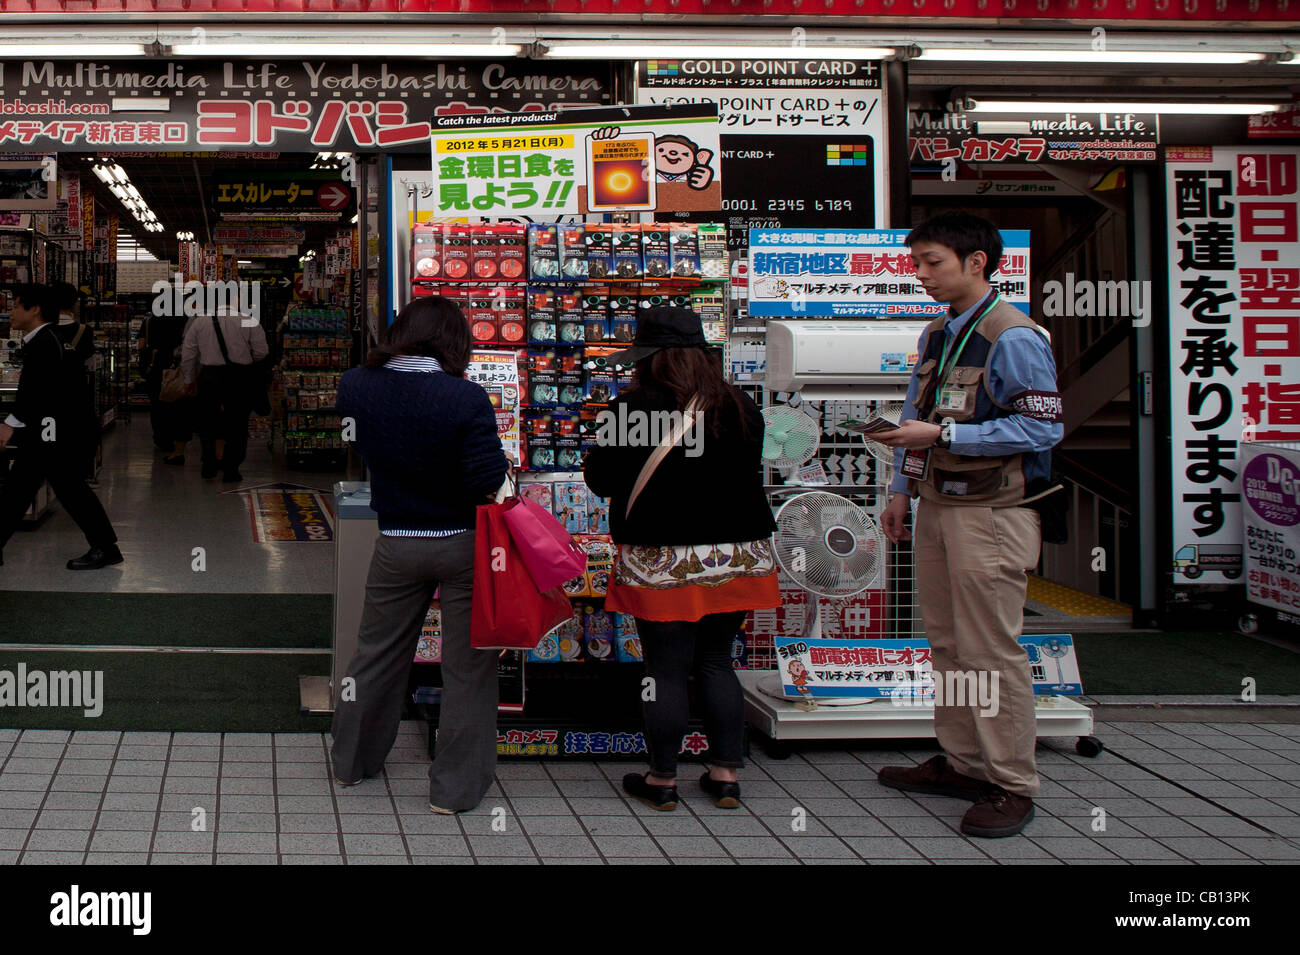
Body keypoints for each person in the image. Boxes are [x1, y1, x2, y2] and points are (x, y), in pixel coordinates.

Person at [869, 212, 1064, 839]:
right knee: (948, 644)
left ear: (976, 261)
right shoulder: (936, 335)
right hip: (938, 505)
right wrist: (901, 487)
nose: (920, 273)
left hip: (992, 515)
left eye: (933, 262)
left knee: (991, 651)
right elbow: (914, 413)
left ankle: (1011, 784)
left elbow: (1043, 427)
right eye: (917, 262)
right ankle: (964, 762)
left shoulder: (1014, 336)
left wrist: (948, 433)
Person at [584, 307, 779, 813]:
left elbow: (601, 481)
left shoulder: (632, 409)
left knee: (664, 668)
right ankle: (726, 774)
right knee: (716, 660)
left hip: (662, 555)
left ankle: (662, 778)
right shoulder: (739, 405)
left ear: (649, 358)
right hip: (736, 553)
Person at [329, 297, 510, 814]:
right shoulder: (464, 397)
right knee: (468, 669)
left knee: (375, 655)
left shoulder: (356, 386)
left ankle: (352, 764)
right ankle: (453, 792)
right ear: (455, 342)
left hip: (397, 540)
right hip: (464, 543)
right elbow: (484, 479)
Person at [0, 284, 121, 570]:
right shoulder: (52, 339)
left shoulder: (45, 342)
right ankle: (105, 546)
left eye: (16, 305)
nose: (11, 312)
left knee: (48, 489)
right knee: (30, 490)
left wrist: (9, 424)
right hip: (55, 430)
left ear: (35, 309)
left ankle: (105, 547)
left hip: (52, 432)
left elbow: (35, 391)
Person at [180, 305, 268, 482]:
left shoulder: (200, 322)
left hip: (210, 377)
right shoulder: (249, 320)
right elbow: (262, 352)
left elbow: (188, 353)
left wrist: (189, 379)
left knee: (207, 422)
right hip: (239, 378)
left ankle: (209, 464)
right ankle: (232, 469)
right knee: (238, 423)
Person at [50, 282, 99, 481]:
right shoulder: (83, 331)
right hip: (76, 392)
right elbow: (89, 361)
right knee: (76, 434)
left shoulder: (45, 330)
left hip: (49, 393)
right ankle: (79, 471)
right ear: (74, 304)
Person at [140, 312, 193, 465]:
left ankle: (160, 438)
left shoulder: (149, 320)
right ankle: (176, 440)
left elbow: (141, 345)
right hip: (176, 368)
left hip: (154, 367)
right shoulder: (185, 319)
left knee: (157, 403)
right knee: (177, 403)